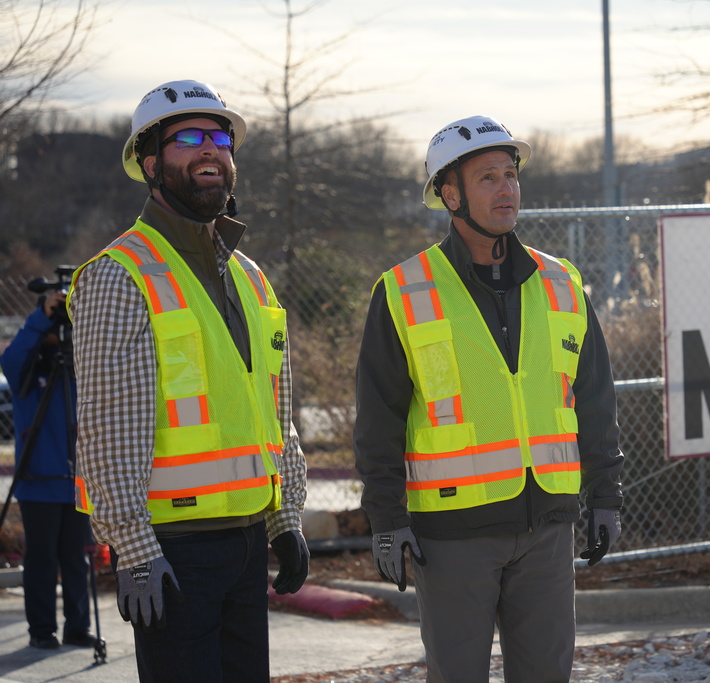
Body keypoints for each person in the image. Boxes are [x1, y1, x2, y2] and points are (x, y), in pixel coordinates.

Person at [354, 115, 625, 683]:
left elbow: (594, 400)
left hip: (547, 525)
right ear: (449, 194)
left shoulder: (562, 283)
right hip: (451, 535)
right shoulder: (403, 290)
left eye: (511, 175)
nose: (506, 189)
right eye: (488, 178)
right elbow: (378, 419)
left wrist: (605, 493)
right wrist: (386, 517)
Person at [67, 80, 309, 682]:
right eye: (188, 139)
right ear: (149, 162)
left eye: (220, 137)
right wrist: (134, 548)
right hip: (172, 548)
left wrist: (286, 516)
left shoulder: (250, 276)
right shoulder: (118, 275)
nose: (210, 150)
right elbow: (108, 425)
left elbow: (273, 409)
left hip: (248, 538)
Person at [0, 290, 94, 650]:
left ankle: (78, 627)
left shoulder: (79, 370)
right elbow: (12, 357)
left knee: (76, 558)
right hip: (38, 483)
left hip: (75, 483)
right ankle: (42, 630)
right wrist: (41, 316)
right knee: (40, 561)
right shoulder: (27, 373)